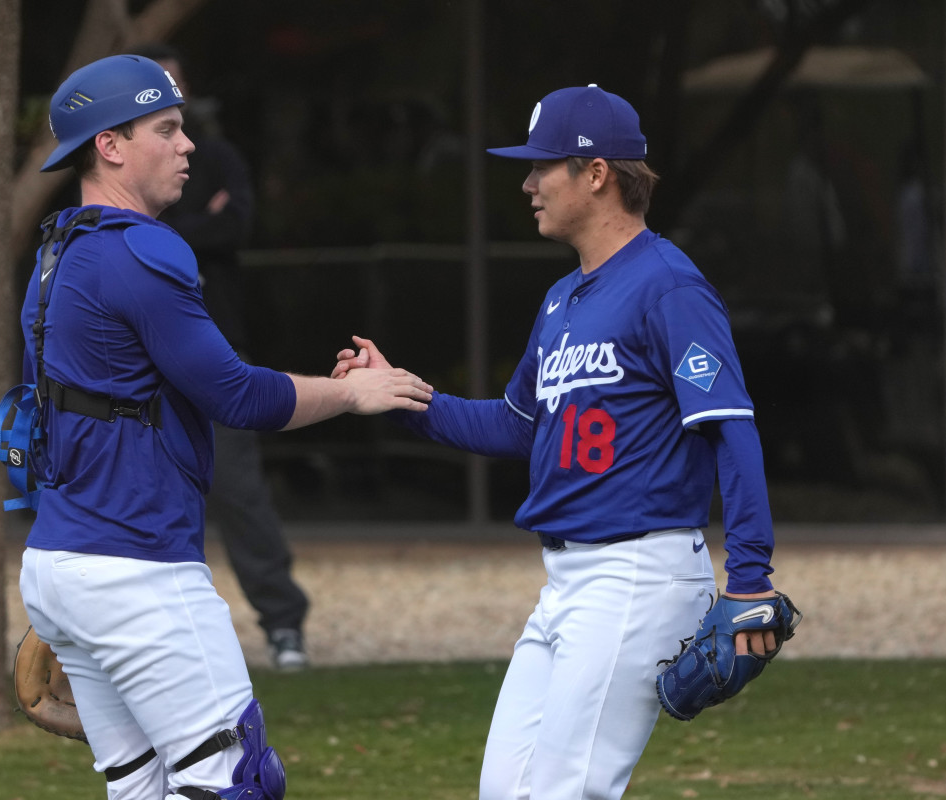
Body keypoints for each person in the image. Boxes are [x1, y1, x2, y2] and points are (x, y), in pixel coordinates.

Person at [334, 85, 782, 800]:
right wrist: (404, 398)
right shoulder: (563, 299)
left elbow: (730, 425)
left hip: (637, 573)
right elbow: (518, 426)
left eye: (543, 165)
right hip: (566, 583)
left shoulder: (669, 285)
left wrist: (751, 577)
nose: (528, 182)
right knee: (506, 790)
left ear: (596, 173)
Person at [16, 54, 431, 799]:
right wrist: (354, 395)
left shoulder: (58, 248)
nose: (189, 146)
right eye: (167, 129)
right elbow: (237, 396)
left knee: (139, 786)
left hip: (61, 562)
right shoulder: (142, 250)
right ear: (110, 145)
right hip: (135, 565)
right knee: (236, 782)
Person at [133, 43, 310, 671]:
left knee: (237, 491)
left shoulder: (216, 157)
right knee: (145, 492)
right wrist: (181, 233)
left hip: (215, 348)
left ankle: (284, 622)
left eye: (173, 96)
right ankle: (156, 641)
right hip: (143, 364)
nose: (176, 136)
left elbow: (236, 223)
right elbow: (139, 240)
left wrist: (169, 232)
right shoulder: (121, 186)